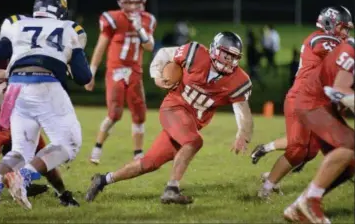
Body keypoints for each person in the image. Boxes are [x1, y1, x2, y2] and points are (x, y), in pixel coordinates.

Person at [85, 32, 254, 204]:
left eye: (234, 58)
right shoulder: (195, 53)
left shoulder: (238, 80)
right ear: (215, 49)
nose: (229, 61)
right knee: (194, 142)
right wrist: (157, 76)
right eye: (226, 55)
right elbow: (164, 54)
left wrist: (243, 133)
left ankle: (103, 180)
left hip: (190, 123)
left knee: (149, 163)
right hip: (174, 108)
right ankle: (171, 189)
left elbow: (243, 110)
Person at [0, 0, 91, 211]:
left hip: (15, 88)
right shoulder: (69, 27)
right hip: (44, 82)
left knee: (20, 150)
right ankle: (23, 177)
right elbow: (83, 77)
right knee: (69, 143)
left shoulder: (17, 25)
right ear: (60, 10)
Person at [256, 6, 353, 200]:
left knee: (309, 152)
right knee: (298, 148)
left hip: (318, 104)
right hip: (302, 99)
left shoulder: (333, 42)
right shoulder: (322, 40)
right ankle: (266, 189)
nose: (346, 33)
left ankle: (271, 174)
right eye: (343, 28)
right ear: (330, 24)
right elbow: (338, 58)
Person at [284, 38, 354, 223]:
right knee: (350, 144)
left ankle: (299, 206)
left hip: (325, 105)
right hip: (312, 101)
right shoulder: (351, 50)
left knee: (349, 165)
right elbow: (340, 88)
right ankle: (309, 201)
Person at [85, 0, 157, 164]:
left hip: (134, 72)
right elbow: (100, 47)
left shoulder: (147, 19)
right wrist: (91, 72)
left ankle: (138, 154)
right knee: (114, 113)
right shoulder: (113, 18)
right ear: (122, 2)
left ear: (142, 2)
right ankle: (97, 148)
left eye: (136, 2)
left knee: (139, 114)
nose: (133, 6)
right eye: (129, 2)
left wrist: (139, 28)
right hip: (116, 70)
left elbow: (149, 47)